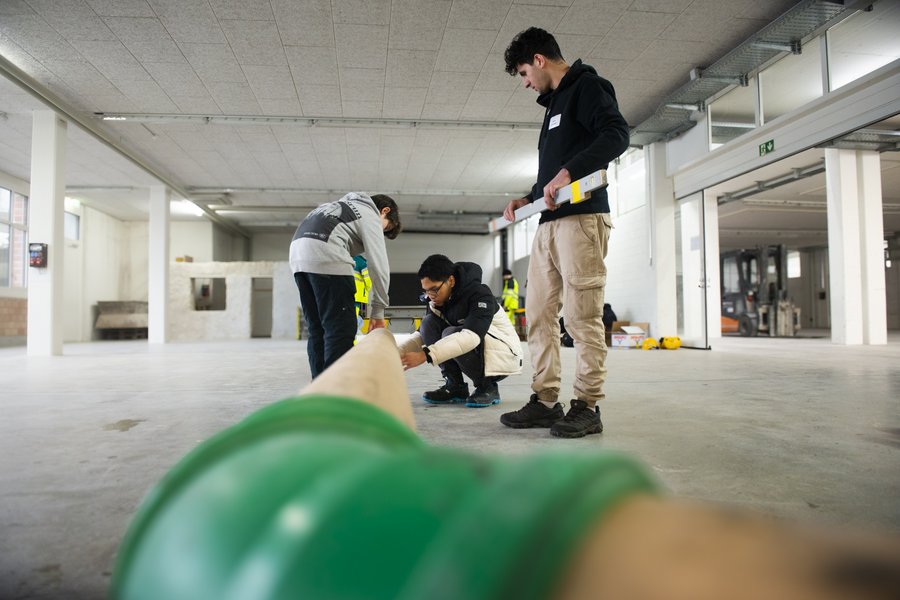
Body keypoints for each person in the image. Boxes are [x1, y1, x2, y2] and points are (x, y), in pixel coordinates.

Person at [498, 27, 629, 438]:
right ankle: (545, 400)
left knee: (581, 317)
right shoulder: (554, 104)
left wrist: (571, 172)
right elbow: (553, 172)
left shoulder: (588, 87)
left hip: (582, 219)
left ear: (539, 60)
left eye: (524, 73)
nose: (525, 83)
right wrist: (529, 197)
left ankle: (587, 406)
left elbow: (616, 134)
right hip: (548, 223)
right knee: (538, 315)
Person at [289, 192, 401, 379]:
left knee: (317, 329)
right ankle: (337, 389)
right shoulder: (369, 214)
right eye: (386, 227)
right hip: (327, 256)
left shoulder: (333, 207)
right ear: (385, 211)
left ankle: (320, 385)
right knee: (340, 331)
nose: (381, 233)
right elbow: (379, 265)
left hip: (298, 259)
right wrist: (378, 311)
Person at [399, 254, 523, 408]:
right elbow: (421, 336)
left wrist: (426, 355)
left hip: (502, 356)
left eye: (434, 289)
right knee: (428, 324)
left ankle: (487, 386)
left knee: (451, 334)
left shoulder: (479, 294)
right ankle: (455, 386)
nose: (430, 296)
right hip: (477, 346)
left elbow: (471, 336)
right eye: (426, 291)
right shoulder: (436, 299)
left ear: (451, 281)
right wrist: (395, 353)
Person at [353, 255, 371, 334]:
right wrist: (366, 290)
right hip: (357, 296)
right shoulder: (361, 262)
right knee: (354, 319)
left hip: (343, 295)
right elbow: (368, 280)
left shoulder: (344, 259)